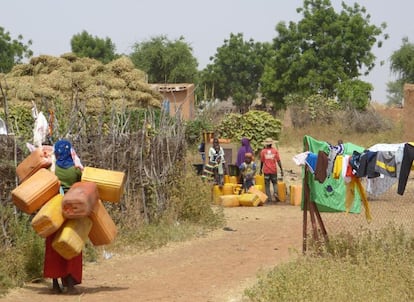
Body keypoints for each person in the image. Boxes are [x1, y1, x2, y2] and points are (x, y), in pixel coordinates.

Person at [43, 139, 83, 294]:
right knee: (71, 243)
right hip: (72, 211)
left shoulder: (51, 169)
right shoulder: (75, 171)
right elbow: (83, 181)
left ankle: (55, 284)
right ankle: (71, 284)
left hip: (54, 211)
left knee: (53, 245)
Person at [260, 137, 284, 202]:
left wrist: (260, 170)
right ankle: (275, 193)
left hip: (266, 171)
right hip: (273, 170)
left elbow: (262, 161)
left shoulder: (263, 151)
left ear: (266, 144)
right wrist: (281, 169)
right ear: (272, 144)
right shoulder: (275, 151)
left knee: (267, 184)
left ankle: (269, 198)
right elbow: (278, 160)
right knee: (275, 183)